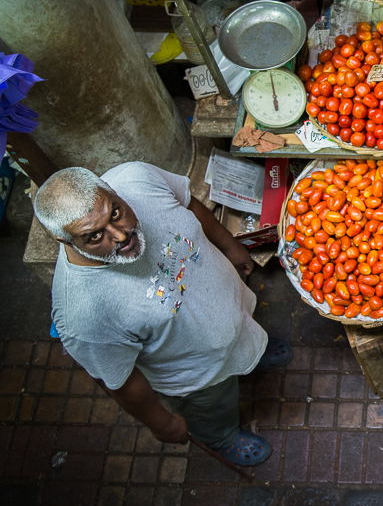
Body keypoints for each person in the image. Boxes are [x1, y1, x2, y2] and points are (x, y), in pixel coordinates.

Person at [33, 162, 292, 466]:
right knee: (214, 407)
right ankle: (222, 436)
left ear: (113, 190)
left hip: (231, 309)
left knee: (246, 330)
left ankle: (252, 351)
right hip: (198, 375)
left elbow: (189, 204)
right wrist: (161, 422)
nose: (121, 235)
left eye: (116, 212)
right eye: (94, 237)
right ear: (66, 241)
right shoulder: (83, 315)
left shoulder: (135, 177)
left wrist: (229, 244)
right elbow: (120, 380)